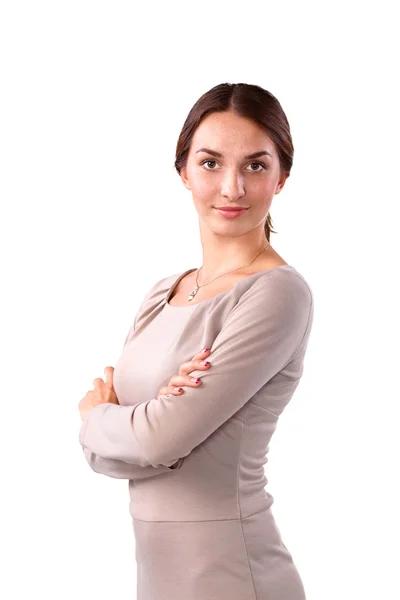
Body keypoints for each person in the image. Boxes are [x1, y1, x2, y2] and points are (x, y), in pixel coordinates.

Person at [78, 82, 314, 600]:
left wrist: (104, 418)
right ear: (183, 170)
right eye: (211, 163)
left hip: (233, 574)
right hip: (158, 581)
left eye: (256, 165)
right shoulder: (163, 293)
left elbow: (157, 442)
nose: (232, 187)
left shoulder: (276, 294)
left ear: (282, 178)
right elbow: (108, 458)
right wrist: (150, 422)